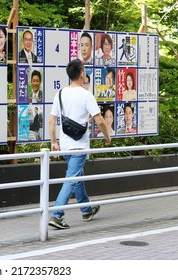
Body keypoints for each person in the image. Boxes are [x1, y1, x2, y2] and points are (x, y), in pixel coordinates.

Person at [48, 58, 111, 229]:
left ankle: (86, 210)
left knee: (77, 177)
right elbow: (100, 121)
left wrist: (54, 142)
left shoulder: (60, 93)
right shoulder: (86, 95)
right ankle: (57, 215)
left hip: (65, 144)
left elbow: (52, 121)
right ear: (82, 73)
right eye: (84, 71)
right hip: (79, 145)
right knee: (72, 179)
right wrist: (107, 136)